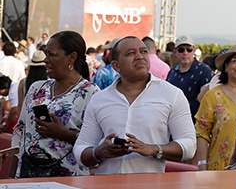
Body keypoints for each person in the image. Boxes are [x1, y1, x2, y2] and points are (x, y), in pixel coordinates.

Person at [74, 36, 196, 174]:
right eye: (131, 53)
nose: (139, 56)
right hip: (107, 185)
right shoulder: (99, 99)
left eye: (143, 51)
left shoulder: (172, 94)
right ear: (116, 66)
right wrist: (99, 152)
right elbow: (80, 150)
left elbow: (189, 145)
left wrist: (154, 149)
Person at [12, 30, 98, 178]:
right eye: (46, 54)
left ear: (72, 57)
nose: (46, 60)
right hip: (28, 175)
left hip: (68, 177)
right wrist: (11, 176)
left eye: (52, 54)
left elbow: (95, 145)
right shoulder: (36, 88)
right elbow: (20, 131)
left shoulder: (91, 93)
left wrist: (62, 133)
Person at [194, 45, 236, 170]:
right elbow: (202, 133)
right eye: (234, 60)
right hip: (219, 165)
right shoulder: (212, 95)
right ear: (226, 66)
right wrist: (202, 164)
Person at [166, 35, 213, 121]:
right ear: (175, 52)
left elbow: (206, 99)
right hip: (173, 121)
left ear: (193, 51)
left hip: (194, 121)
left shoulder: (204, 71)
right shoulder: (172, 72)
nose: (185, 53)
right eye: (181, 50)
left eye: (189, 49)